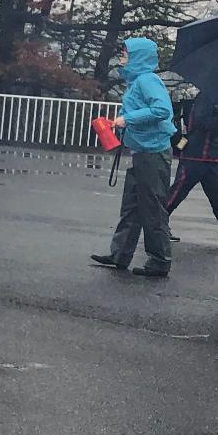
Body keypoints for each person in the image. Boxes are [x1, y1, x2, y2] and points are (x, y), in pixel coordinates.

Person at [90, 37, 176, 279]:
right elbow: (138, 109)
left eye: (126, 55)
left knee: (151, 206)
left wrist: (126, 120)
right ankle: (120, 254)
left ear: (138, 57)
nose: (122, 59)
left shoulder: (146, 80)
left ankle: (159, 260)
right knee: (133, 205)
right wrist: (120, 121)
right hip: (143, 150)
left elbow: (162, 110)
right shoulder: (137, 81)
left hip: (153, 151)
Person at [165, 92, 218, 247]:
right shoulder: (206, 98)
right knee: (177, 192)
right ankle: (157, 223)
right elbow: (202, 122)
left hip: (212, 155)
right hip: (194, 155)